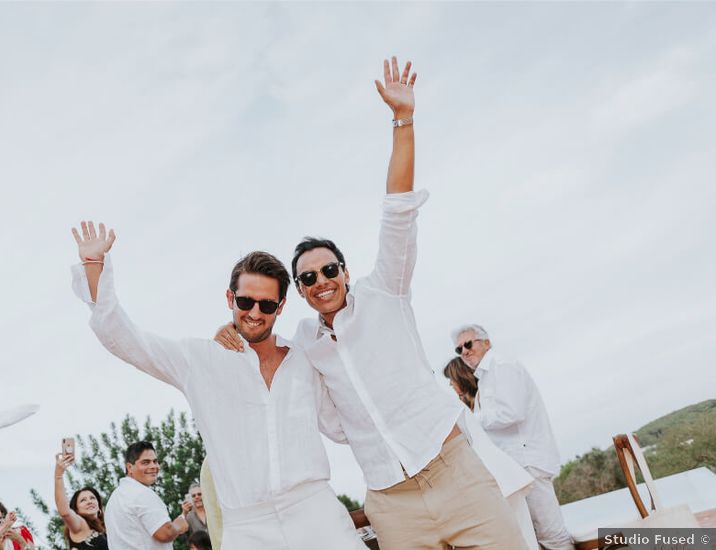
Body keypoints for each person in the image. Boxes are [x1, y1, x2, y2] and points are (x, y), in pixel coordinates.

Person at [213, 56, 525, 550]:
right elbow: (275, 367)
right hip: (391, 502)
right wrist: (228, 334)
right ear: (300, 290)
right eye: (309, 277)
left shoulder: (387, 292)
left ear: (346, 271)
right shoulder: (306, 346)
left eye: (330, 270)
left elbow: (397, 210)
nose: (322, 281)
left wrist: (403, 120)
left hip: (455, 475)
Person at [69, 217, 366, 549]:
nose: (254, 312)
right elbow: (123, 338)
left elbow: (342, 425)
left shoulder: (304, 359)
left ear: (280, 306)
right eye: (245, 302)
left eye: (266, 304)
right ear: (230, 298)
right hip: (248, 527)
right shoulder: (200, 360)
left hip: (317, 512)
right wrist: (94, 265)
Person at [452, 324, 575, 550]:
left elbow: (512, 411)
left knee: (552, 535)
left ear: (486, 342)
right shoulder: (488, 375)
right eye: (459, 349)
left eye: (468, 344)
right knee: (537, 538)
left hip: (527, 460)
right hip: (519, 466)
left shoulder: (502, 366)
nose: (465, 351)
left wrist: (470, 420)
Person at [443, 357, 539, 550]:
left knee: (527, 537)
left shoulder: (462, 409)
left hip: (502, 479)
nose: (450, 386)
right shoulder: (468, 405)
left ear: (459, 378)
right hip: (501, 480)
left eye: (451, 380)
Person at [103, 441, 189, 549]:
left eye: (155, 461)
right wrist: (178, 524)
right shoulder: (141, 493)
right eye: (145, 462)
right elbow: (165, 533)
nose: (153, 466)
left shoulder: (114, 498)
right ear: (129, 467)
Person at [54, 452, 108, 549]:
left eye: (92, 498)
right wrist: (58, 476)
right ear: (76, 510)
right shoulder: (80, 525)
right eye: (83, 500)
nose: (89, 501)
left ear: (99, 505)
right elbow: (65, 512)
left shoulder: (106, 529)